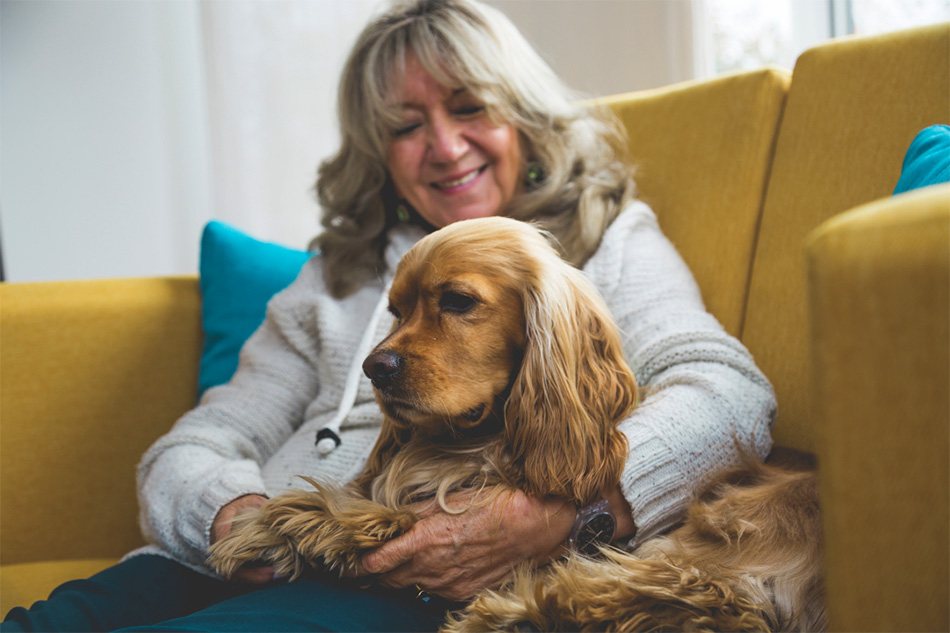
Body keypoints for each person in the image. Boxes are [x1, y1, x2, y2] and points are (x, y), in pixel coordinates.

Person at [2, 0, 776, 631]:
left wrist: (557, 513)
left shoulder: (603, 244)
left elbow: (729, 395)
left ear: (526, 120)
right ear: (379, 153)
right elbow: (200, 441)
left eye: (470, 107)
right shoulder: (332, 277)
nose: (443, 146)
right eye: (406, 126)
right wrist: (233, 515)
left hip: (401, 578)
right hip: (241, 553)